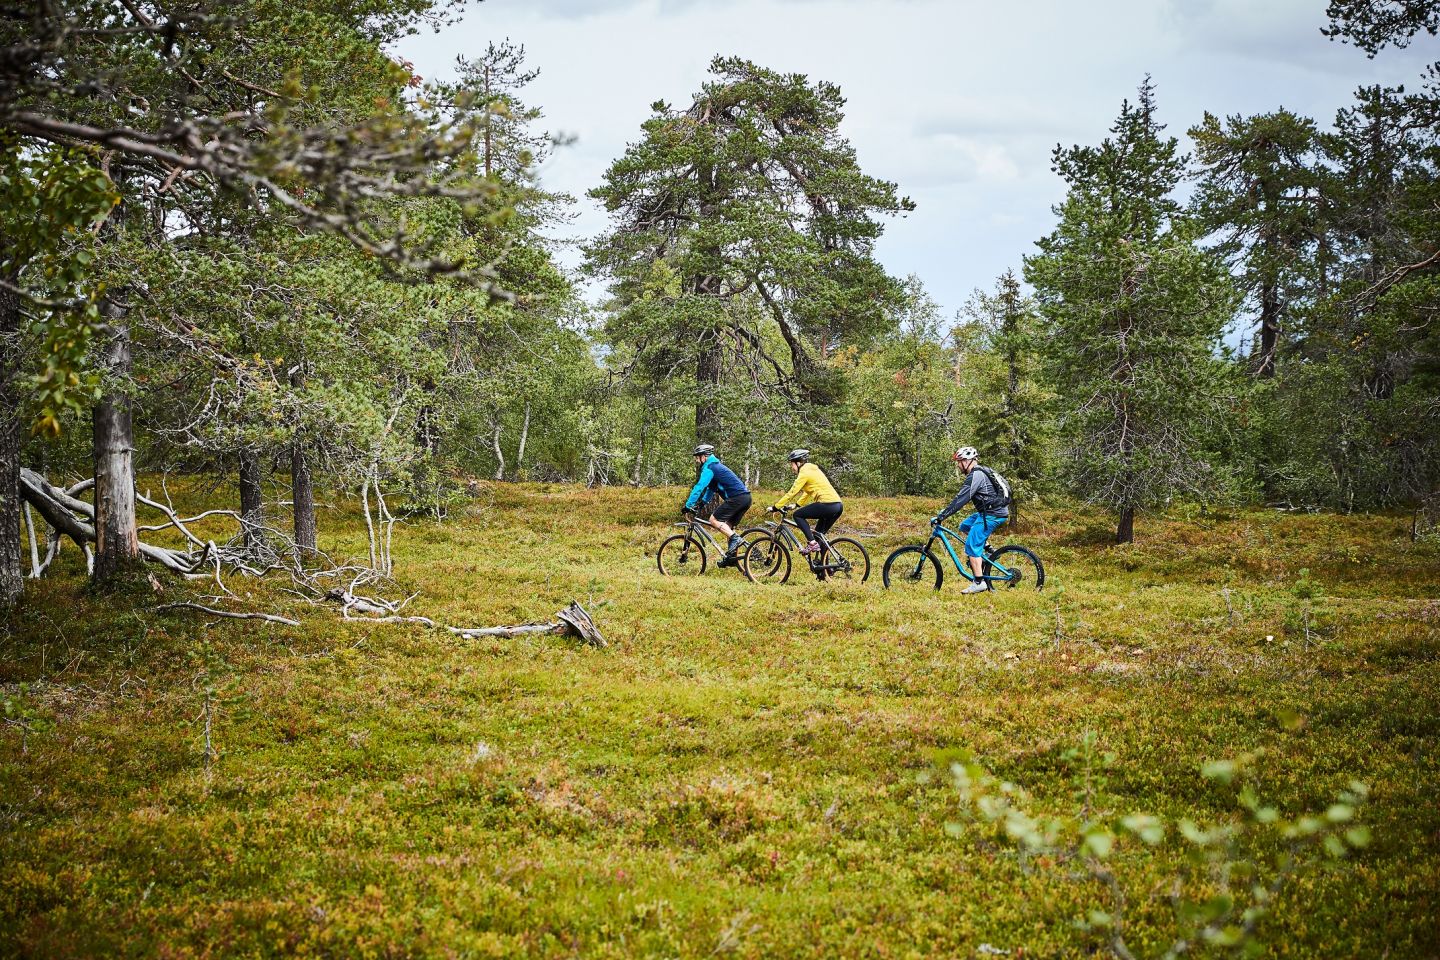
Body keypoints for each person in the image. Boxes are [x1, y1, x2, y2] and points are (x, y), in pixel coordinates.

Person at [934, 445, 1010, 595]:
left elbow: (961, 498)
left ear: (967, 461)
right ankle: (988, 551)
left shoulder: (976, 475)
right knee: (965, 525)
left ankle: (979, 582)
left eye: (959, 461)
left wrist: (943, 516)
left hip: (992, 514)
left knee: (971, 546)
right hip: (990, 511)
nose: (958, 465)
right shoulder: (981, 471)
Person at [683, 443, 752, 567]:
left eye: (698, 457)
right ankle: (732, 558)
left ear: (704, 456)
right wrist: (702, 503)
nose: (696, 460)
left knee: (713, 520)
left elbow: (699, 487)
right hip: (745, 498)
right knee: (727, 527)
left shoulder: (709, 467)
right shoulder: (715, 466)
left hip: (737, 498)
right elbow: (711, 489)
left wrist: (688, 505)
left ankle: (735, 539)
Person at [771, 449, 843, 562]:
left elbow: (792, 492)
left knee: (798, 515)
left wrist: (776, 506)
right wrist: (797, 504)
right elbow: (808, 491)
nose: (792, 467)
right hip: (837, 505)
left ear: (798, 463)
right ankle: (826, 570)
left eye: (792, 464)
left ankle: (812, 543)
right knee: (820, 536)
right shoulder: (812, 469)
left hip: (827, 504)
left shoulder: (804, 472)